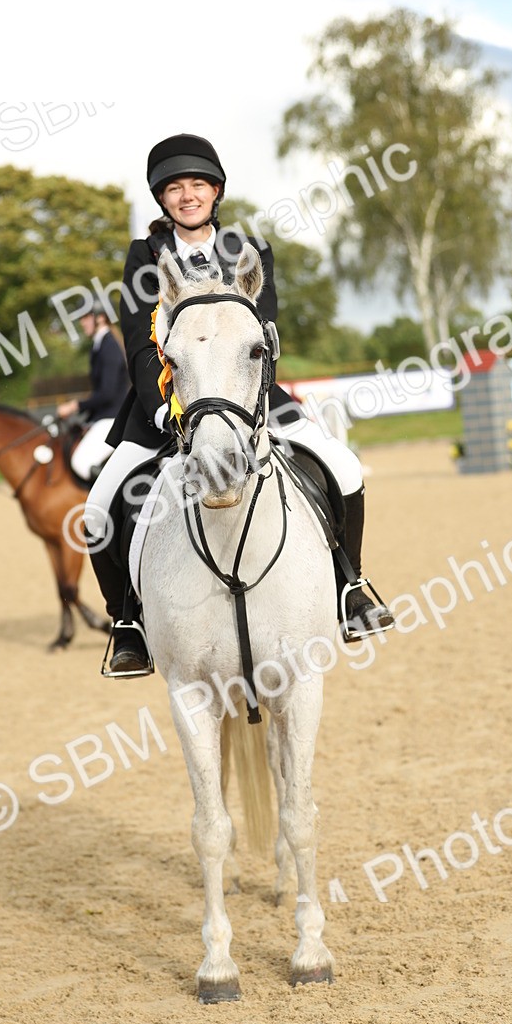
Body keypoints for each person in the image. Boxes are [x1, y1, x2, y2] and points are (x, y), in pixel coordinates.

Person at [86, 133, 393, 674]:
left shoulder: (248, 251)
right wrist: (165, 408)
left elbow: (264, 332)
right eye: (174, 188)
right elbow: (139, 343)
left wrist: (245, 400)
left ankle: (352, 586)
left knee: (343, 465)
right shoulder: (144, 257)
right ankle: (127, 622)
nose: (187, 196)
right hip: (166, 404)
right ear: (161, 198)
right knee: (98, 509)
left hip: (251, 399)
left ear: (216, 191)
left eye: (197, 185)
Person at [56, 307, 129, 481]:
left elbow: (107, 394)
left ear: (101, 317)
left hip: (112, 419)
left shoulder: (109, 346)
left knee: (81, 462)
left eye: (86, 317)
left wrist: (75, 406)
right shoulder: (99, 345)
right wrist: (88, 419)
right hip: (105, 417)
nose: (82, 323)